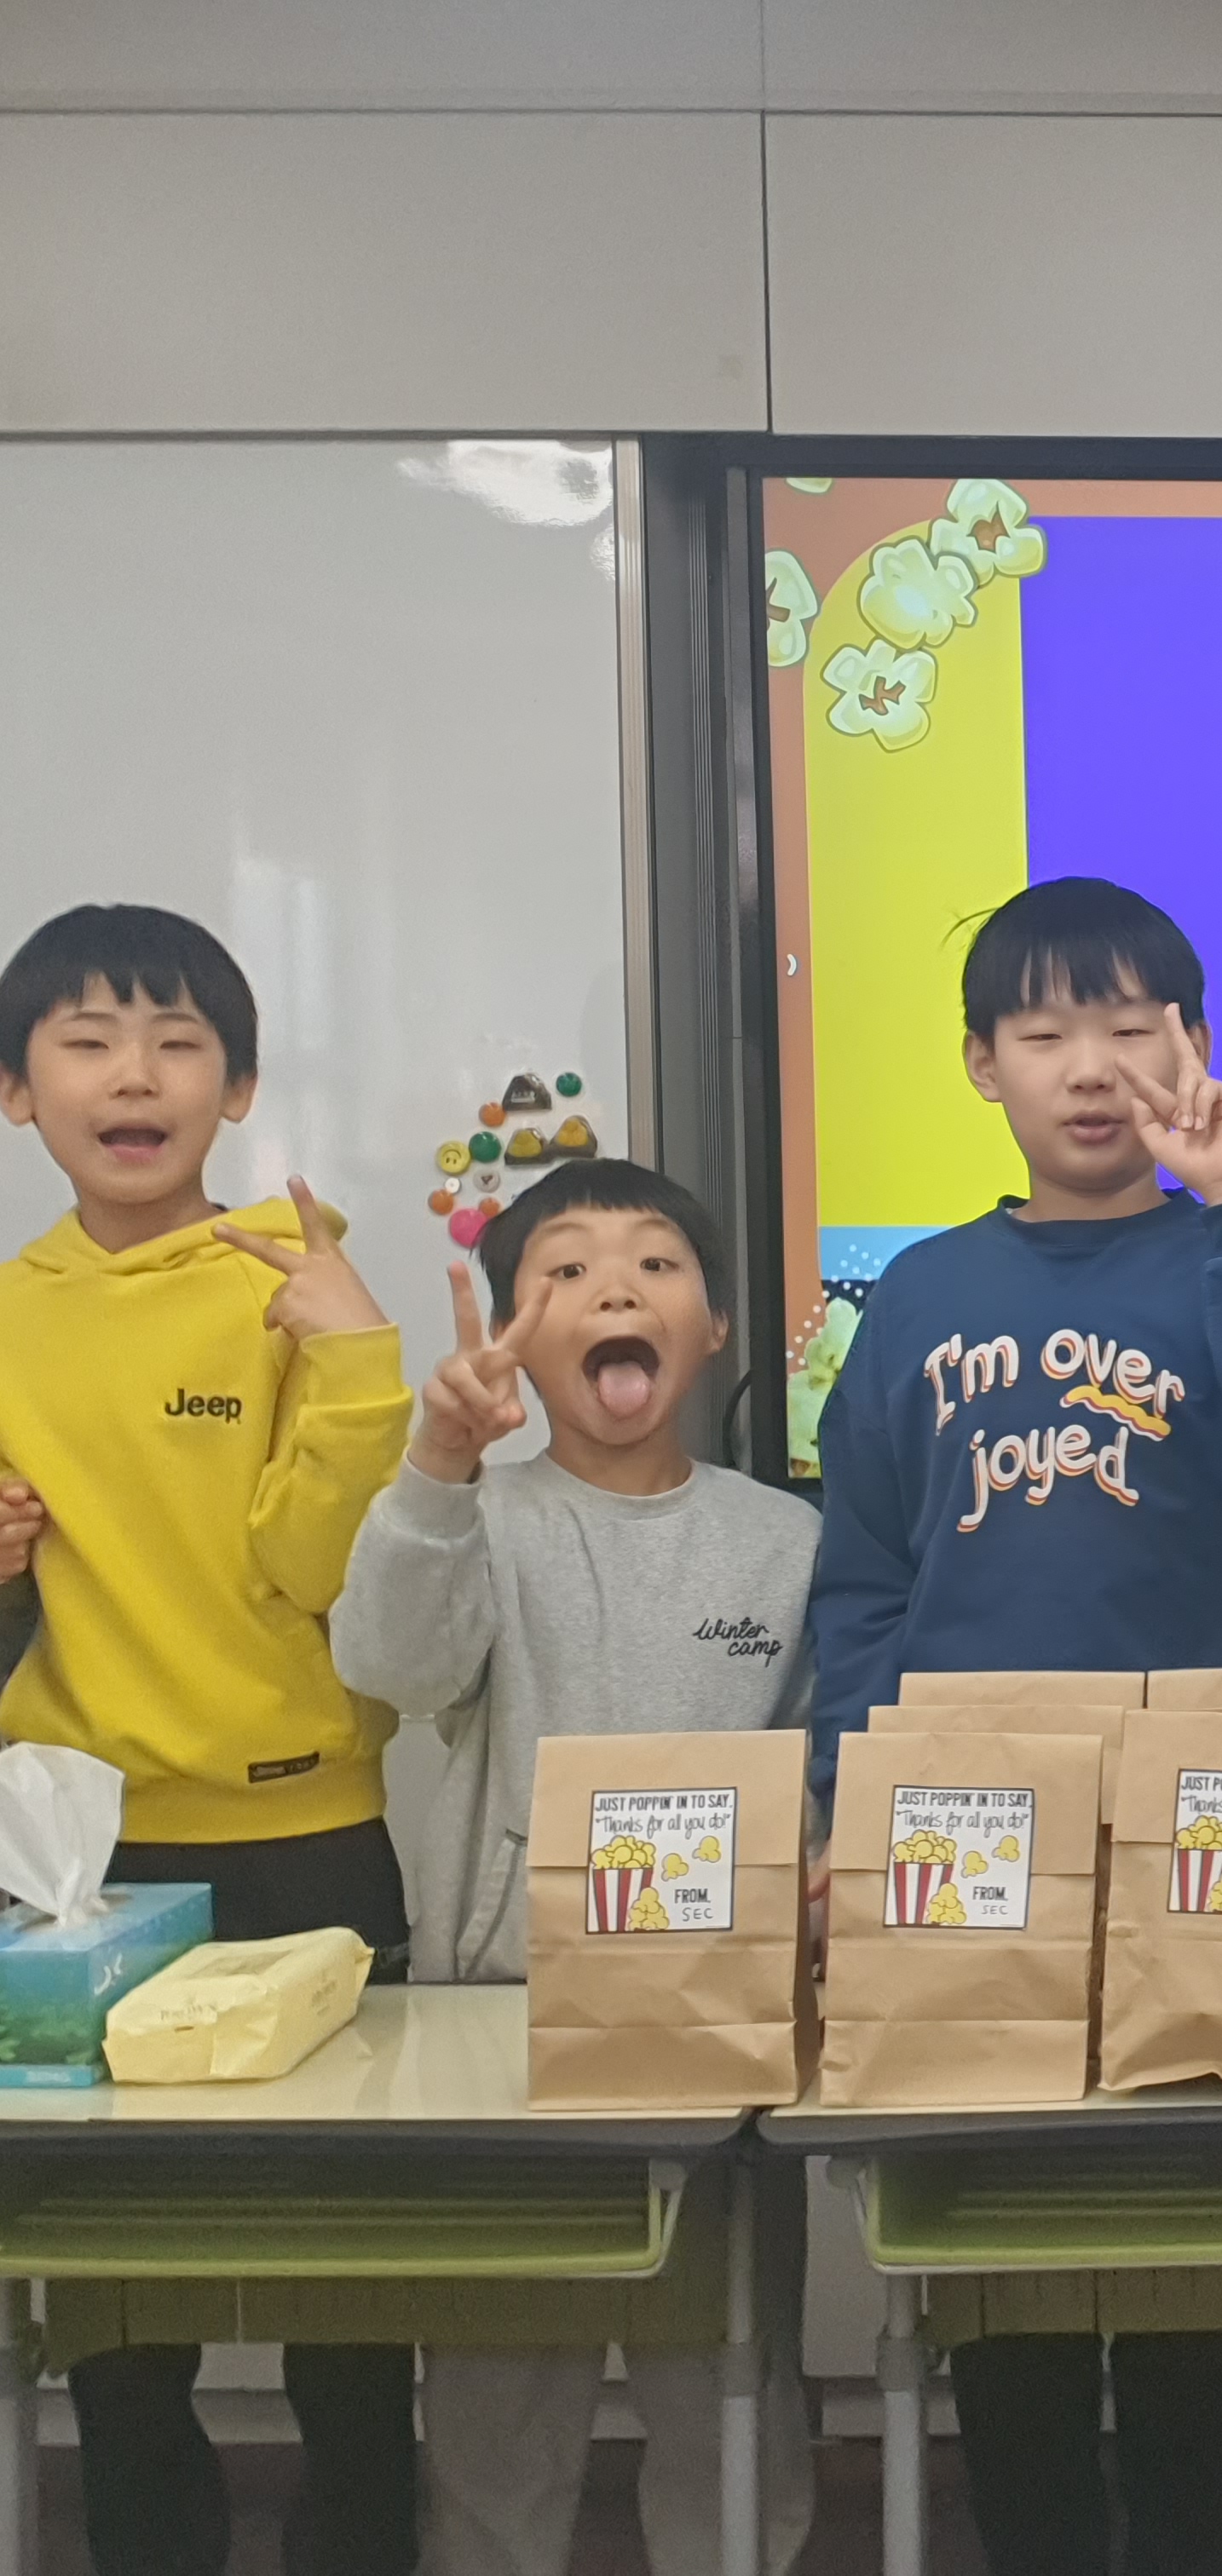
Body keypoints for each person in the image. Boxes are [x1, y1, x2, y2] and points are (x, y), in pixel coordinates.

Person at [808, 875, 1222, 2576]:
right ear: (981, 1063)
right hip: (968, 1829)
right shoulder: (919, 1295)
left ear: (1191, 1046)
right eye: (1047, 1029)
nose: (1092, 1065)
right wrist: (847, 1805)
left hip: (1206, 1820)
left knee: (1192, 2253)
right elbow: (865, 1582)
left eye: (1133, 1025)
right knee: (1005, 2262)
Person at [0, 903, 417, 2576]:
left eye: (178, 1043)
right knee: (121, 2313)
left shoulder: (288, 1281)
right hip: (79, 1865)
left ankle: (363, 2547)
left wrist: (361, 1362)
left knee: (353, 2291)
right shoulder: (7, 1314)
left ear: (236, 1087)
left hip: (308, 1836)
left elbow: (327, 1577)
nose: (136, 1075)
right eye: (88, 1042)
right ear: (18, 1092)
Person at [330, 1159, 820, 2576]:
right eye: (567, 1271)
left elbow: (812, 1762)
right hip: (504, 2024)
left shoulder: (786, 1541)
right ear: (513, 1334)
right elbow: (393, 1666)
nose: (616, 1287)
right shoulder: (470, 1514)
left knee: (734, 2385)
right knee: (495, 2404)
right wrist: (437, 1464)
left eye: (657, 1264)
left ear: (714, 1326)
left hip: (716, 2031)